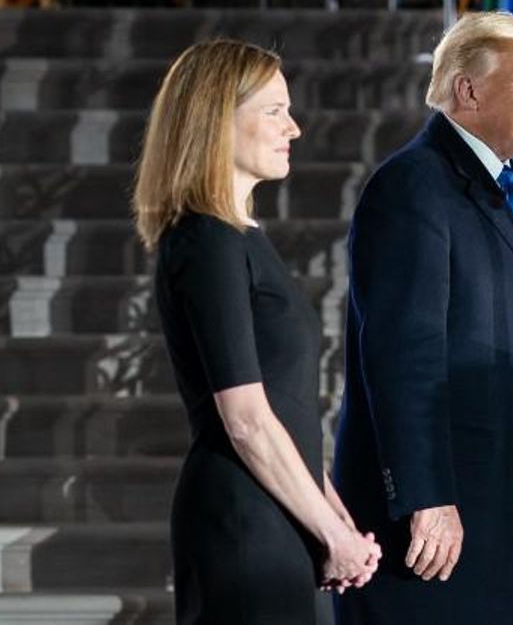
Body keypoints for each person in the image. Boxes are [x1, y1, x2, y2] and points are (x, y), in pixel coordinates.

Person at [332, 12, 513, 625]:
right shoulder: (413, 187)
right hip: (446, 535)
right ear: (468, 90)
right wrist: (426, 496)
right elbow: (404, 354)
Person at [132, 39, 381, 624]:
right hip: (243, 523)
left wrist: (332, 515)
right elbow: (245, 418)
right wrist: (331, 533)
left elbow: (282, 406)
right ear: (216, 120)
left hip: (276, 515)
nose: (293, 128)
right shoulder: (207, 240)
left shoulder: (238, 238)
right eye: (274, 111)